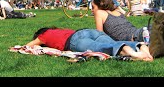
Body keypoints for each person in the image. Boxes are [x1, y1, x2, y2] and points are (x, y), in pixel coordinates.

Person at [25, 26, 153, 61]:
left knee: (101, 48)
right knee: (111, 42)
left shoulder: (43, 36)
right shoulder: (58, 31)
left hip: (74, 41)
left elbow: (28, 46)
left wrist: (37, 44)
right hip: (88, 31)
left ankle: (133, 54)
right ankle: (141, 46)